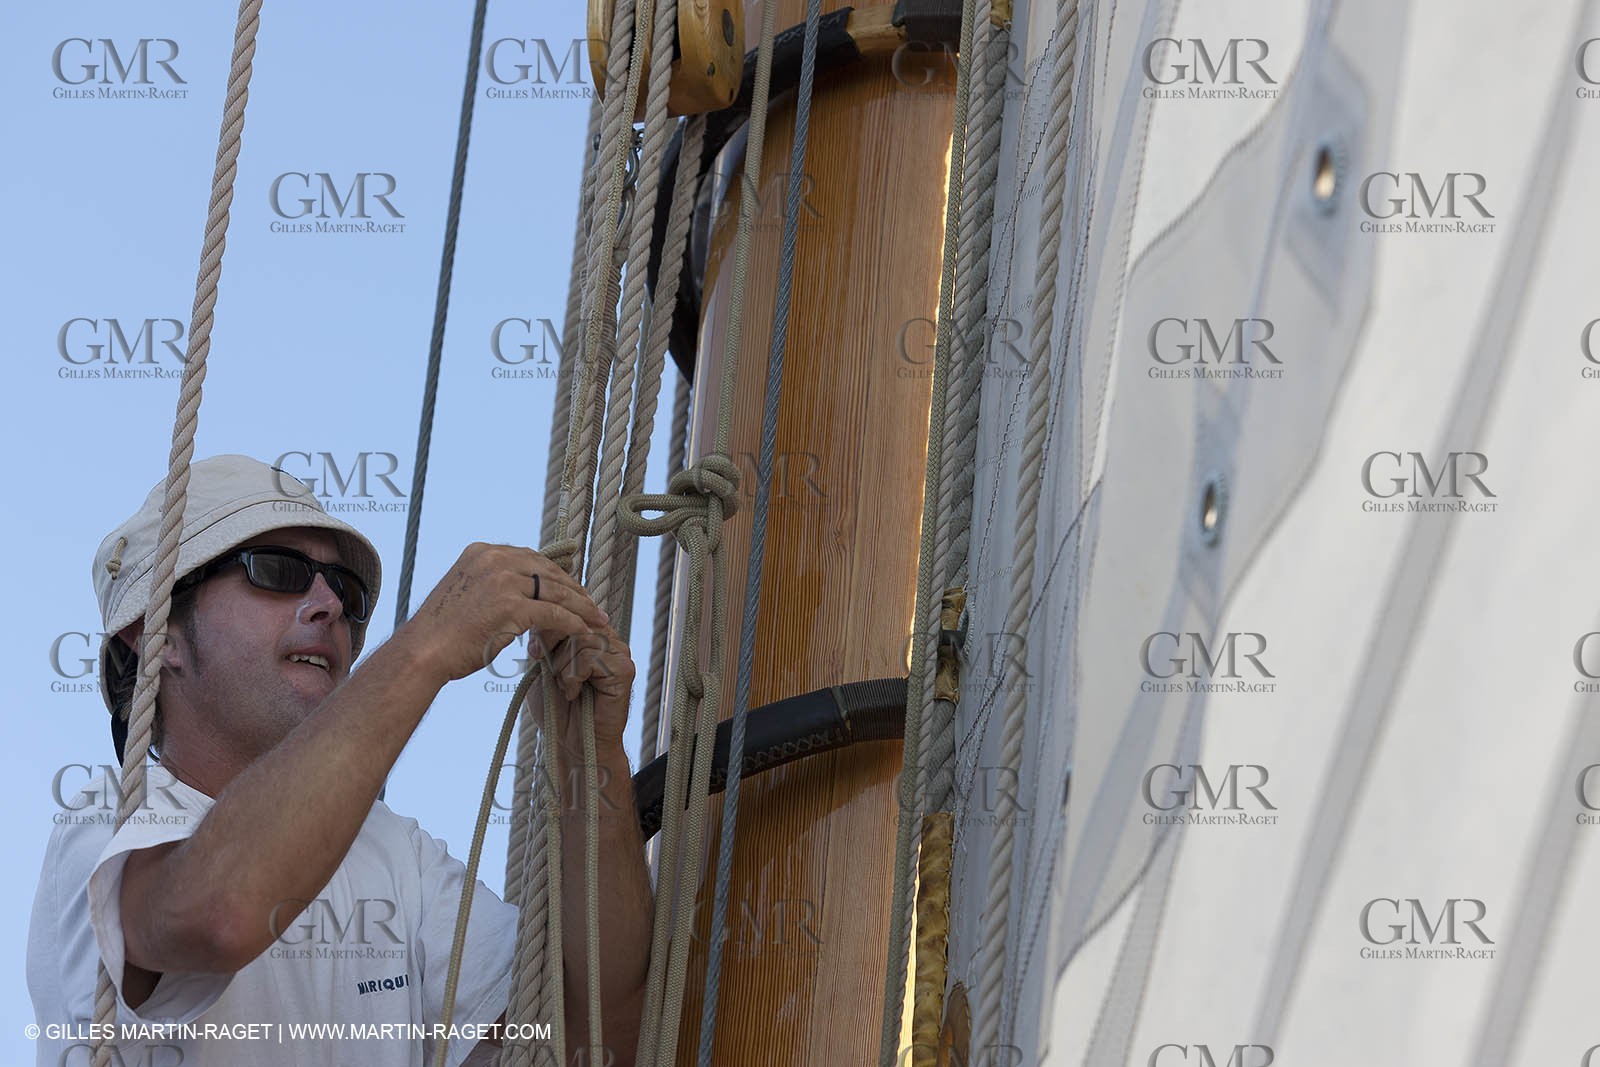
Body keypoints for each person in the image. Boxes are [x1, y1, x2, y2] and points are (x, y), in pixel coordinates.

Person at [26, 455, 652, 1067]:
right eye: (277, 570)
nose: (330, 606)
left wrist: (588, 753)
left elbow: (597, 1038)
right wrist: (427, 645)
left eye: (345, 591)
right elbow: (222, 915)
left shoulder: (394, 855)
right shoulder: (109, 825)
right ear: (155, 634)